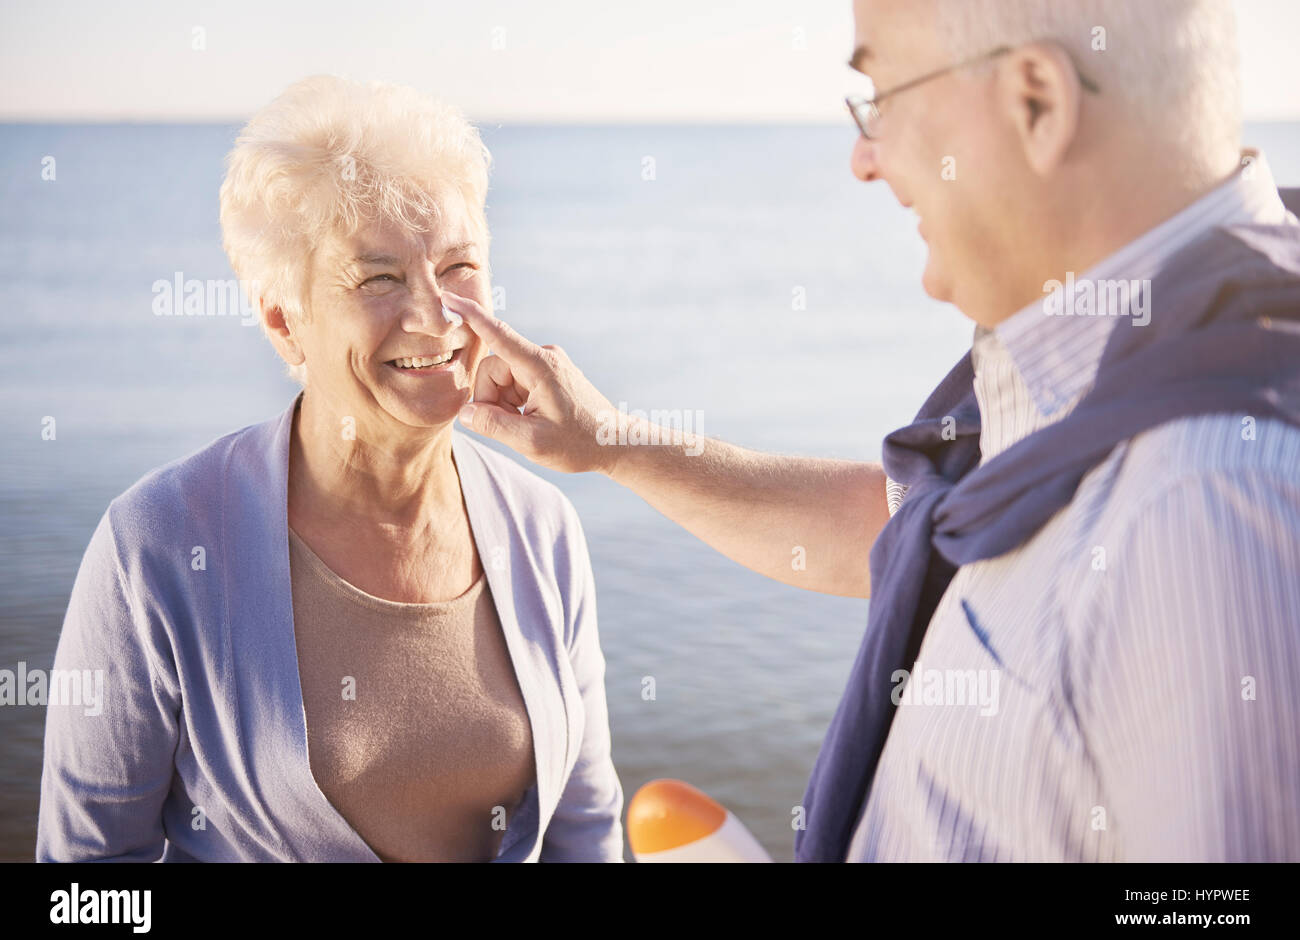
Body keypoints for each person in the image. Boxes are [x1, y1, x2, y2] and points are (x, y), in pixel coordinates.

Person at [452, 0, 1300, 861]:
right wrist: (611, 441)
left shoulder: (1206, 499)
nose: (865, 158)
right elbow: (903, 538)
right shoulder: (1121, 366)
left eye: (883, 96)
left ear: (1035, 102)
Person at [36, 75, 624, 862]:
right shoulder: (158, 548)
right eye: (379, 277)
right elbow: (84, 886)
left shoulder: (543, 527)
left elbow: (584, 831)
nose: (436, 315)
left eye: (458, 267)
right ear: (285, 323)